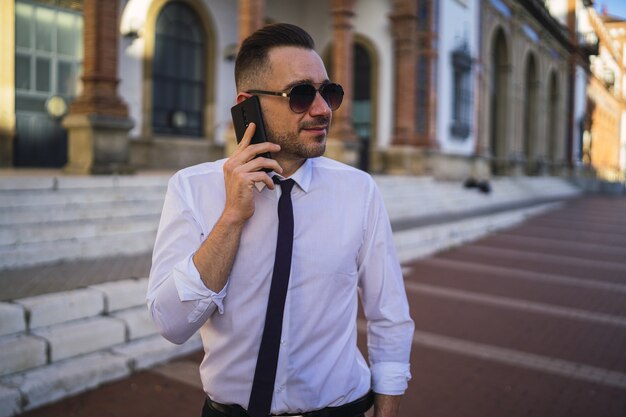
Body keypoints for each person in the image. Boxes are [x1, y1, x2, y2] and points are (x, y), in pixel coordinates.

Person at [147, 23, 414, 417]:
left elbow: (388, 314)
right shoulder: (193, 188)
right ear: (247, 104)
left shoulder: (359, 191)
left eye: (329, 92)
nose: (323, 109)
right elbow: (171, 324)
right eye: (301, 95)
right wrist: (233, 218)